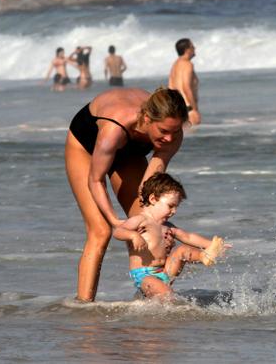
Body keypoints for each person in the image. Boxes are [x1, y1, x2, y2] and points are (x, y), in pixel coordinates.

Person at [65, 87, 189, 302]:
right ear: (148, 119)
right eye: (163, 131)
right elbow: (95, 180)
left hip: (129, 152)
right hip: (86, 147)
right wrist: (115, 221)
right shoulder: (114, 129)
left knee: (150, 224)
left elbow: (149, 187)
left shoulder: (173, 135)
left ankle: (155, 296)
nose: (169, 138)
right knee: (101, 230)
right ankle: (84, 306)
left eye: (175, 131)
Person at [113, 172, 228, 299]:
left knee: (182, 249)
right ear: (153, 199)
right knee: (166, 295)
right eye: (171, 206)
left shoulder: (168, 226)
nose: (174, 211)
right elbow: (118, 231)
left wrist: (211, 245)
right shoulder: (140, 220)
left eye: (176, 207)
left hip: (166, 270)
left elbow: (188, 237)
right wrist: (134, 236)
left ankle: (205, 256)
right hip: (145, 275)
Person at [168, 38, 201, 125]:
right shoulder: (187, 64)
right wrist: (195, 110)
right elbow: (186, 87)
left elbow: (170, 87)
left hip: (175, 109)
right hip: (187, 109)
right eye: (192, 46)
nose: (195, 48)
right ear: (187, 50)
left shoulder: (175, 65)